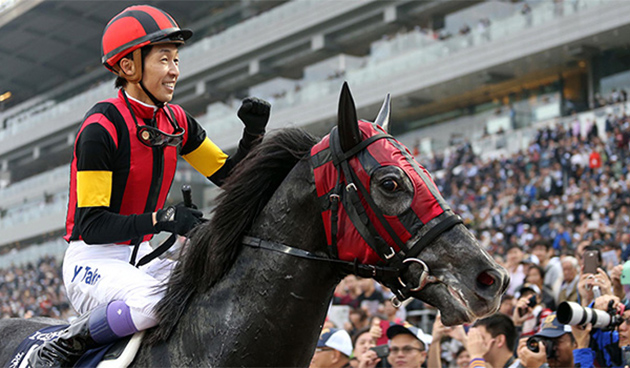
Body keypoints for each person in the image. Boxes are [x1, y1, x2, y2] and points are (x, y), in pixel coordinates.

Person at [29, 5, 270, 367]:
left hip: (144, 256)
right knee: (156, 302)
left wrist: (252, 136)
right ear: (129, 67)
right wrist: (162, 219)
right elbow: (92, 225)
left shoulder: (178, 121)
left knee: (227, 282)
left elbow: (231, 178)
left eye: (176, 59)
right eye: (164, 59)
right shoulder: (101, 127)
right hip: (91, 260)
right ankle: (67, 341)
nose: (174, 70)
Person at [516, 313, 591, 368]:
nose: (551, 348)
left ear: (576, 343)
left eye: (556, 341)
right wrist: (523, 364)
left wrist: (540, 366)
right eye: (546, 342)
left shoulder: (587, 363)